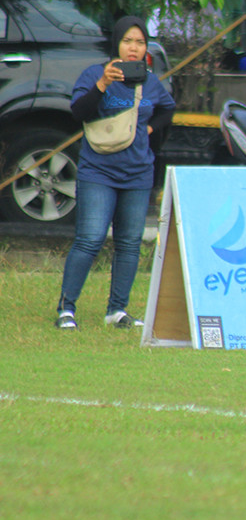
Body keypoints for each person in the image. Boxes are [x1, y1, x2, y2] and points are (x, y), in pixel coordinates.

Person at [55, 16, 175, 330]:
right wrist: (103, 85)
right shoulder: (94, 74)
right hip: (99, 171)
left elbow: (167, 109)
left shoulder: (150, 80)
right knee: (90, 239)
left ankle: (117, 311)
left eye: (140, 42)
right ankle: (66, 310)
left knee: (129, 243)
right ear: (116, 44)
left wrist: (150, 127)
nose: (134, 48)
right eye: (128, 41)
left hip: (138, 173)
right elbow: (79, 111)